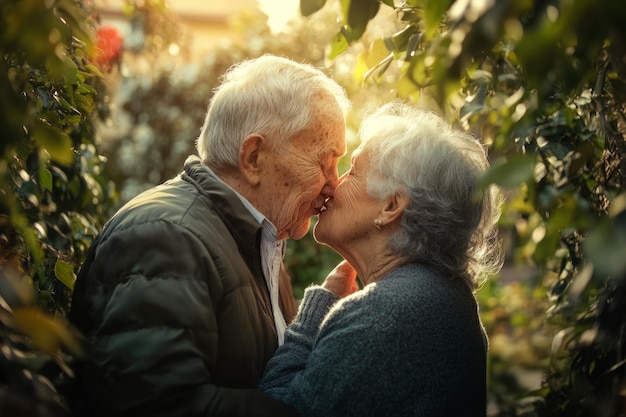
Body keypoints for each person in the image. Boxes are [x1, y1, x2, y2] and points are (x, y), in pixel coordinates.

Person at [68, 54, 350, 417]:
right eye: (323, 161)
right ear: (252, 158)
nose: (333, 184)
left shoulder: (260, 242)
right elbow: (156, 406)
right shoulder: (168, 237)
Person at [259, 101, 504, 417]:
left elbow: (274, 407)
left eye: (353, 170)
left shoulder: (381, 317)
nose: (333, 184)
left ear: (390, 206)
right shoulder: (451, 297)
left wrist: (316, 311)